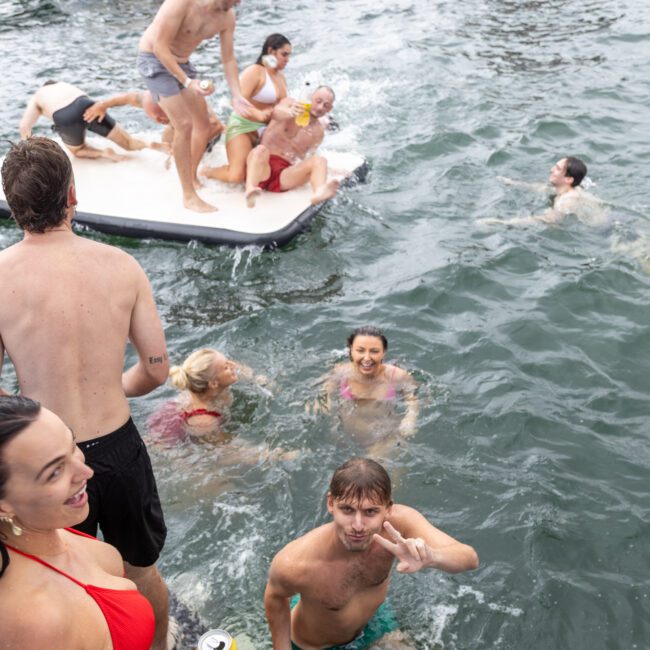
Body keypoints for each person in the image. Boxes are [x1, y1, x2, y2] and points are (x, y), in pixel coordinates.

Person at [0, 137, 172, 649]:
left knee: (57, 570)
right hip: (116, 449)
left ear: (13, 206)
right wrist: (114, 387)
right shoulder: (121, 266)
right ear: (72, 195)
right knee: (141, 571)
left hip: (45, 463)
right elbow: (157, 371)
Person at [264, 458, 479, 649]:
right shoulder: (296, 563)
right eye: (347, 510)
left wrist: (431, 557)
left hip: (373, 624)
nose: (358, 525)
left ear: (388, 509)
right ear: (331, 504)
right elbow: (275, 597)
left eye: (370, 512)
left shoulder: (398, 526)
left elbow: (469, 558)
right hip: (313, 644)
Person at [0, 396, 155, 649]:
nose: (87, 472)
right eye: (55, 472)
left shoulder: (50, 530)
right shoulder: (36, 623)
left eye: (72, 445)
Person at [137, 0, 254, 213]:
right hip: (154, 59)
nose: (240, 2)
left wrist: (237, 95)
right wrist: (188, 82)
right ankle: (188, 196)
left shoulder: (227, 17)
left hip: (182, 63)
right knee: (184, 124)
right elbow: (160, 47)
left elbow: (228, 59)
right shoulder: (181, 3)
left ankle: (189, 175)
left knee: (205, 124)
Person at [201, 33, 293, 184]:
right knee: (237, 177)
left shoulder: (281, 78)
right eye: (284, 54)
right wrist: (258, 114)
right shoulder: (255, 71)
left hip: (265, 132)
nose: (287, 59)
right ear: (270, 51)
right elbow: (236, 102)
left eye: (289, 55)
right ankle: (208, 171)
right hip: (244, 127)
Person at [314, 326, 419, 452]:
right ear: (351, 350)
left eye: (374, 351)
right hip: (344, 438)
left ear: (383, 352)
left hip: (384, 439)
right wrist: (324, 400)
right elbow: (326, 386)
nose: (367, 358)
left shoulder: (397, 375)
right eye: (360, 350)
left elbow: (413, 397)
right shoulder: (342, 372)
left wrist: (411, 417)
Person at [19, 80, 169, 161]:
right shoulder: (63, 85)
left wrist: (28, 150)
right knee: (128, 142)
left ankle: (104, 153)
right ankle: (149, 144)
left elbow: (24, 128)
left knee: (78, 151)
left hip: (64, 116)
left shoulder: (37, 96)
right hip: (87, 105)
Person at [244, 86, 341, 208]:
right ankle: (250, 189)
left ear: (330, 109)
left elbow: (306, 160)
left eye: (326, 105)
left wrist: (330, 170)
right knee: (259, 150)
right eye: (318, 101)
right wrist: (290, 112)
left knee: (320, 160)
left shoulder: (318, 133)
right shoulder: (290, 104)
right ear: (311, 97)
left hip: (284, 176)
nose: (320, 107)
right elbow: (276, 113)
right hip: (262, 167)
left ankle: (318, 192)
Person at [148, 347, 269, 444]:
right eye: (226, 367)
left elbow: (240, 370)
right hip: (170, 442)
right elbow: (227, 449)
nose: (233, 366)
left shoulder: (203, 388)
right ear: (214, 383)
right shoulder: (205, 421)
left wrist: (254, 378)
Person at [480, 156, 609, 227]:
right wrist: (509, 182)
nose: (551, 169)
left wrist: (502, 223)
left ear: (569, 179)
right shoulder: (573, 189)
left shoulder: (566, 200)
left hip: (604, 232)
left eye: (557, 169)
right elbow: (538, 187)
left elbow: (548, 219)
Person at [82, 88, 224, 151]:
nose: (159, 120)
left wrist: (191, 148)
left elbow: (217, 126)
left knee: (183, 147)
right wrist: (102, 105)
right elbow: (126, 98)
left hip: (204, 131)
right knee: (168, 139)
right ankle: (172, 152)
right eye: (155, 117)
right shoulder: (147, 98)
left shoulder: (188, 104)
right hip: (179, 126)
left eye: (162, 117)